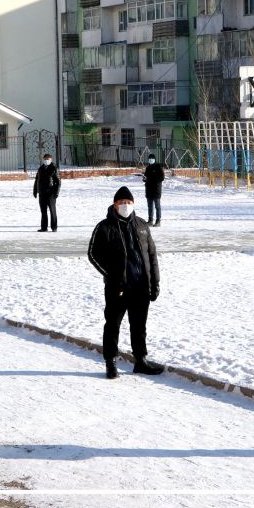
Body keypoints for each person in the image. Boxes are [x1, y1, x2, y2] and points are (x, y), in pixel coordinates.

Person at [87, 186, 162, 379]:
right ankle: (110, 362)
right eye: (121, 202)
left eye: (128, 202)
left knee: (139, 326)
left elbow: (152, 255)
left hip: (141, 286)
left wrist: (155, 282)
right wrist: (112, 276)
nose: (125, 206)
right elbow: (93, 254)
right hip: (117, 288)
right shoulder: (104, 226)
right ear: (115, 204)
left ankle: (141, 360)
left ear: (133, 204)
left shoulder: (142, 225)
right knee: (113, 325)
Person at [33, 153, 60, 232]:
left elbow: (58, 182)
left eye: (48, 159)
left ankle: (54, 227)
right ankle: (44, 227)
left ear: (51, 160)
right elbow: (37, 180)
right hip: (42, 193)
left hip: (51, 193)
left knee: (52, 211)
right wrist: (35, 190)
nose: (46, 161)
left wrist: (56, 192)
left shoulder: (54, 168)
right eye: (45, 159)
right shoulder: (40, 168)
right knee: (43, 211)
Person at [142, 154, 164, 226]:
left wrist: (152, 179)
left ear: (154, 159)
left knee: (157, 206)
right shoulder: (148, 168)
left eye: (152, 158)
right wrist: (144, 179)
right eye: (149, 159)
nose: (150, 160)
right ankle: (150, 220)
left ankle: (158, 221)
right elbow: (145, 177)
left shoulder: (158, 167)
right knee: (150, 206)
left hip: (156, 190)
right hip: (149, 190)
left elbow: (161, 178)